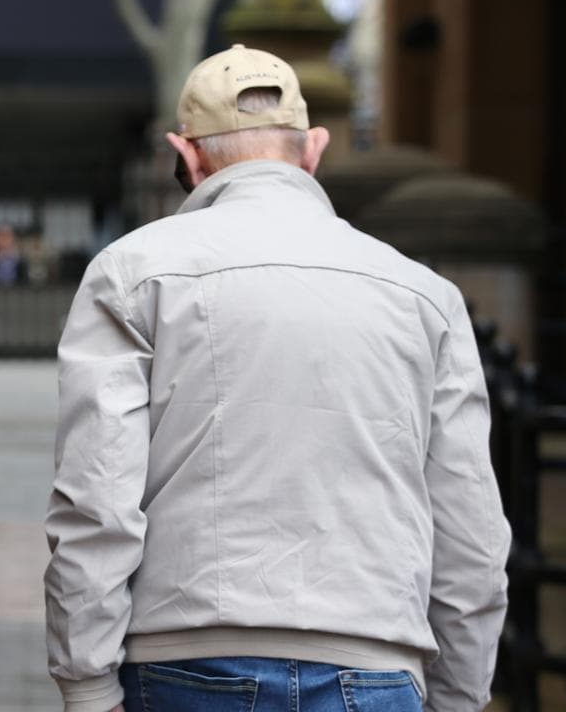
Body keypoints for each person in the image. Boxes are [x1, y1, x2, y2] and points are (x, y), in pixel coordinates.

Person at [44, 45, 510, 712]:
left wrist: (86, 684)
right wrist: (460, 694)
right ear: (313, 149)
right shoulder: (424, 295)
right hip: (374, 661)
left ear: (187, 154)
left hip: (184, 660)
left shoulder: (131, 272)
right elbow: (470, 524)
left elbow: (95, 498)